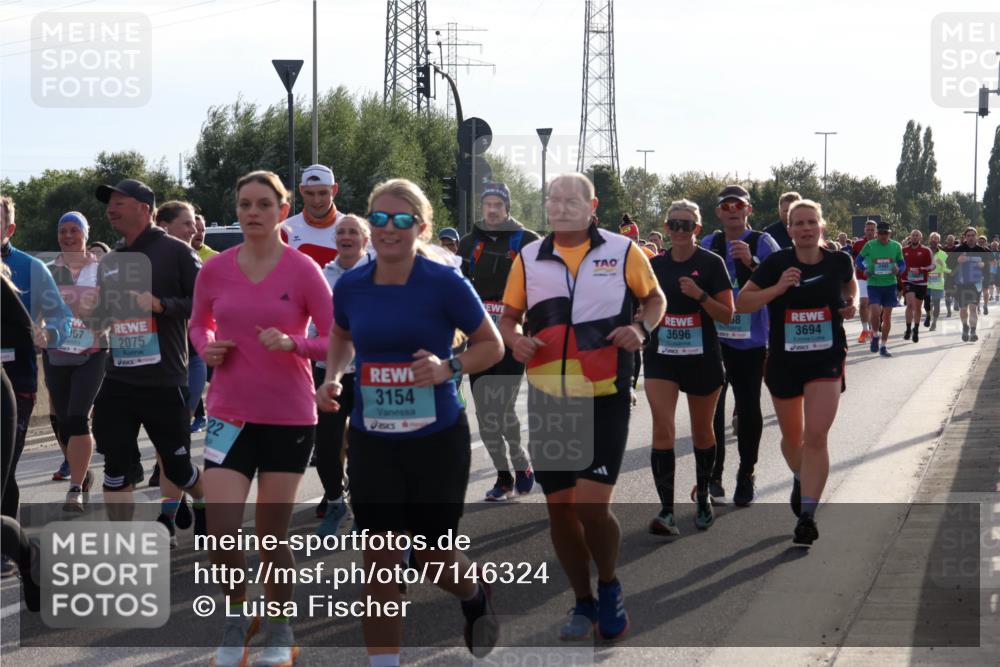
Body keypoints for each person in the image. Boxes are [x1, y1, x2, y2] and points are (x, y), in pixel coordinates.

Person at [315, 178, 503, 665]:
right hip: (374, 439)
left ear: (419, 227)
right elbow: (340, 334)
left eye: (401, 220)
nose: (388, 228)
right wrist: (334, 376)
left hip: (436, 439)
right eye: (378, 218)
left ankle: (474, 595)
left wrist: (449, 367)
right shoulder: (353, 283)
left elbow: (492, 345)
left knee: (432, 558)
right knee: (380, 560)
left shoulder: (443, 281)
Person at [499, 173, 665, 642]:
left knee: (592, 508)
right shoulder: (529, 257)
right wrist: (514, 339)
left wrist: (642, 330)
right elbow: (509, 317)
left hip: (605, 393)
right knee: (561, 512)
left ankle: (609, 584)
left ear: (592, 205)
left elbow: (654, 298)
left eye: (572, 199)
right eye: (554, 198)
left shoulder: (623, 250)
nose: (562, 206)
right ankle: (582, 600)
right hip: (551, 397)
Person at [191, 170, 332, 667]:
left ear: (281, 209)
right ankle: (237, 613)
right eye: (245, 204)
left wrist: (296, 342)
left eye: (263, 205)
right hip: (229, 412)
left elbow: (336, 336)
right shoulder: (215, 269)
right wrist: (206, 349)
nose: (252, 213)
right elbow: (198, 322)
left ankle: (280, 629)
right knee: (221, 532)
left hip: (289, 415)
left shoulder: (302, 270)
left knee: (271, 538)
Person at [88, 179, 206, 541]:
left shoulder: (176, 252)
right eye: (109, 203)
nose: (111, 209)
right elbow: (106, 313)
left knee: (178, 466)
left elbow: (207, 303)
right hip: (118, 379)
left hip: (163, 379)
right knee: (115, 469)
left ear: (144, 207)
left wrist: (163, 305)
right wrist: (93, 320)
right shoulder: (110, 260)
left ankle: (203, 504)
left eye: (119, 202)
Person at [735, 199, 856, 546]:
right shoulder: (776, 263)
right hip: (785, 361)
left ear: (822, 226)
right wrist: (778, 288)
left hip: (826, 358)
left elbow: (850, 285)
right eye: (798, 223)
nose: (805, 228)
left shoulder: (838, 260)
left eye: (810, 222)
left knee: (816, 435)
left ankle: (807, 516)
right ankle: (801, 477)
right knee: (793, 439)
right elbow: (743, 303)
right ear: (789, 230)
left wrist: (849, 303)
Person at [645, 200, 733, 535]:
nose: (679, 231)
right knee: (663, 428)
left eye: (686, 225)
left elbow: (727, 313)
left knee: (701, 431)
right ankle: (666, 510)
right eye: (674, 224)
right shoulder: (654, 265)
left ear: (697, 229)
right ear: (666, 228)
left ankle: (703, 497)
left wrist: (700, 296)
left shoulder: (711, 264)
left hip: (702, 359)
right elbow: (640, 306)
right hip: (661, 358)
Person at [0, 196, 72, 577]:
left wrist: (51, 333)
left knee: (4, 467)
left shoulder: (29, 268)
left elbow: (62, 315)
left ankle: (10, 550)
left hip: (17, 382)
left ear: (9, 229)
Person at [456, 182, 540, 501]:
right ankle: (504, 476)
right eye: (486, 204)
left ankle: (521, 464)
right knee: (484, 414)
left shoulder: (527, 240)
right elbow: (457, 288)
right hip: (479, 338)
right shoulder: (468, 242)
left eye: (497, 204)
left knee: (501, 408)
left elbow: (545, 284)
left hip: (513, 334)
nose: (491, 209)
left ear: (507, 207)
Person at [702, 184, 780, 507]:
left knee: (748, 408)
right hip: (715, 339)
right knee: (713, 411)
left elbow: (780, 283)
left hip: (750, 340)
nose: (732, 210)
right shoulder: (710, 242)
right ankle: (715, 475)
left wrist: (752, 262)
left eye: (739, 205)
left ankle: (746, 473)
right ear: (719, 212)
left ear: (748, 210)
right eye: (726, 205)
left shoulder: (763, 241)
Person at [42, 212, 107, 512]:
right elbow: (35, 310)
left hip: (92, 354)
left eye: (74, 231)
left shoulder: (103, 269)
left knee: (79, 418)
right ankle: (83, 473)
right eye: (63, 231)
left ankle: (74, 489)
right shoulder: (47, 271)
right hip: (56, 354)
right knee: (64, 423)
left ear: (85, 233)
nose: (68, 236)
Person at [312, 214, 372, 536]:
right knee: (325, 446)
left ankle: (364, 512)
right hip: (328, 372)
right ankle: (336, 500)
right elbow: (314, 325)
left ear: (365, 239)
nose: (346, 236)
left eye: (353, 231)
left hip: (367, 374)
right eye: (341, 232)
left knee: (364, 447)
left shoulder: (377, 274)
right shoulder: (323, 275)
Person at [281, 164, 343, 267]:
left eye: (323, 193)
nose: (316, 200)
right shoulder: (285, 231)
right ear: (301, 190)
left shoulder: (353, 230)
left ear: (334, 190)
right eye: (310, 193)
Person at [857, 221, 904, 357]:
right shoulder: (870, 245)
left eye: (886, 233)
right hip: (874, 284)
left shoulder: (896, 246)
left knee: (887, 316)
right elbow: (858, 260)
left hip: (890, 285)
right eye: (881, 233)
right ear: (877, 234)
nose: (883, 236)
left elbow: (902, 264)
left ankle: (883, 345)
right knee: (876, 312)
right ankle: (875, 336)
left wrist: (898, 269)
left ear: (890, 234)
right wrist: (864, 269)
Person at [947, 227, 990, 342]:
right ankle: (965, 326)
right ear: (965, 237)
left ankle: (973, 331)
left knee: (973, 307)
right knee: (963, 308)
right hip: (961, 283)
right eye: (968, 235)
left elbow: (989, 267)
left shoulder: (982, 251)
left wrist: (984, 265)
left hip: (976, 284)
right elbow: (948, 264)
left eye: (972, 235)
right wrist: (957, 260)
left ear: (976, 237)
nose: (970, 237)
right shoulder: (959, 250)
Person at [901, 229, 934, 344]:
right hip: (907, 281)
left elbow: (932, 266)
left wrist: (921, 269)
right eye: (913, 235)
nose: (914, 237)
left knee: (918, 308)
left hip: (921, 282)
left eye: (917, 236)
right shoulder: (903, 250)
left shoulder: (926, 250)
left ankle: (916, 329)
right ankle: (908, 328)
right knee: (910, 304)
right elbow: (898, 264)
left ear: (921, 238)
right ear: (910, 237)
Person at [851, 220, 877, 343]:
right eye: (868, 229)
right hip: (861, 277)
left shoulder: (881, 244)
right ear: (864, 230)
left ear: (876, 231)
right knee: (863, 303)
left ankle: (873, 329)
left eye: (872, 230)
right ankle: (865, 329)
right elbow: (854, 260)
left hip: (877, 278)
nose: (870, 232)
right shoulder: (857, 244)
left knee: (873, 305)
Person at [925, 232, 950, 331]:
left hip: (938, 283)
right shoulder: (924, 251)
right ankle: (928, 316)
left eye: (936, 238)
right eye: (932, 238)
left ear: (939, 241)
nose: (934, 240)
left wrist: (942, 263)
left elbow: (948, 270)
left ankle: (934, 323)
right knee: (926, 303)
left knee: (936, 303)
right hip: (925, 282)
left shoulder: (943, 254)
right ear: (929, 240)